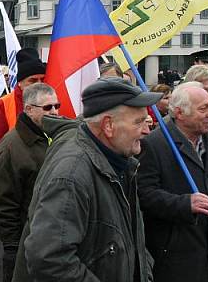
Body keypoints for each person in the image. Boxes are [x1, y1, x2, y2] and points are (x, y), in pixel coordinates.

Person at [13, 78, 159, 282]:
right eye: (139, 122)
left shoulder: (120, 163)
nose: (147, 130)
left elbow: (131, 241)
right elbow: (48, 259)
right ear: (108, 125)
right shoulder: (72, 175)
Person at [138, 82, 208, 282]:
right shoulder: (154, 144)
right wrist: (184, 203)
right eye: (203, 108)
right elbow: (144, 195)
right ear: (180, 113)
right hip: (177, 255)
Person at [0, 83, 58, 282]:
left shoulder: (54, 135)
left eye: (57, 105)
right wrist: (12, 246)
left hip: (51, 235)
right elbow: (3, 201)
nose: (54, 111)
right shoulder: (11, 147)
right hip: (24, 241)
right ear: (28, 109)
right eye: (48, 107)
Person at [0, 48, 46, 189]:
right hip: (13, 191)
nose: (39, 84)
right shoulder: (2, 106)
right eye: (33, 80)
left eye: (43, 79)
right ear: (20, 82)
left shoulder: (52, 106)